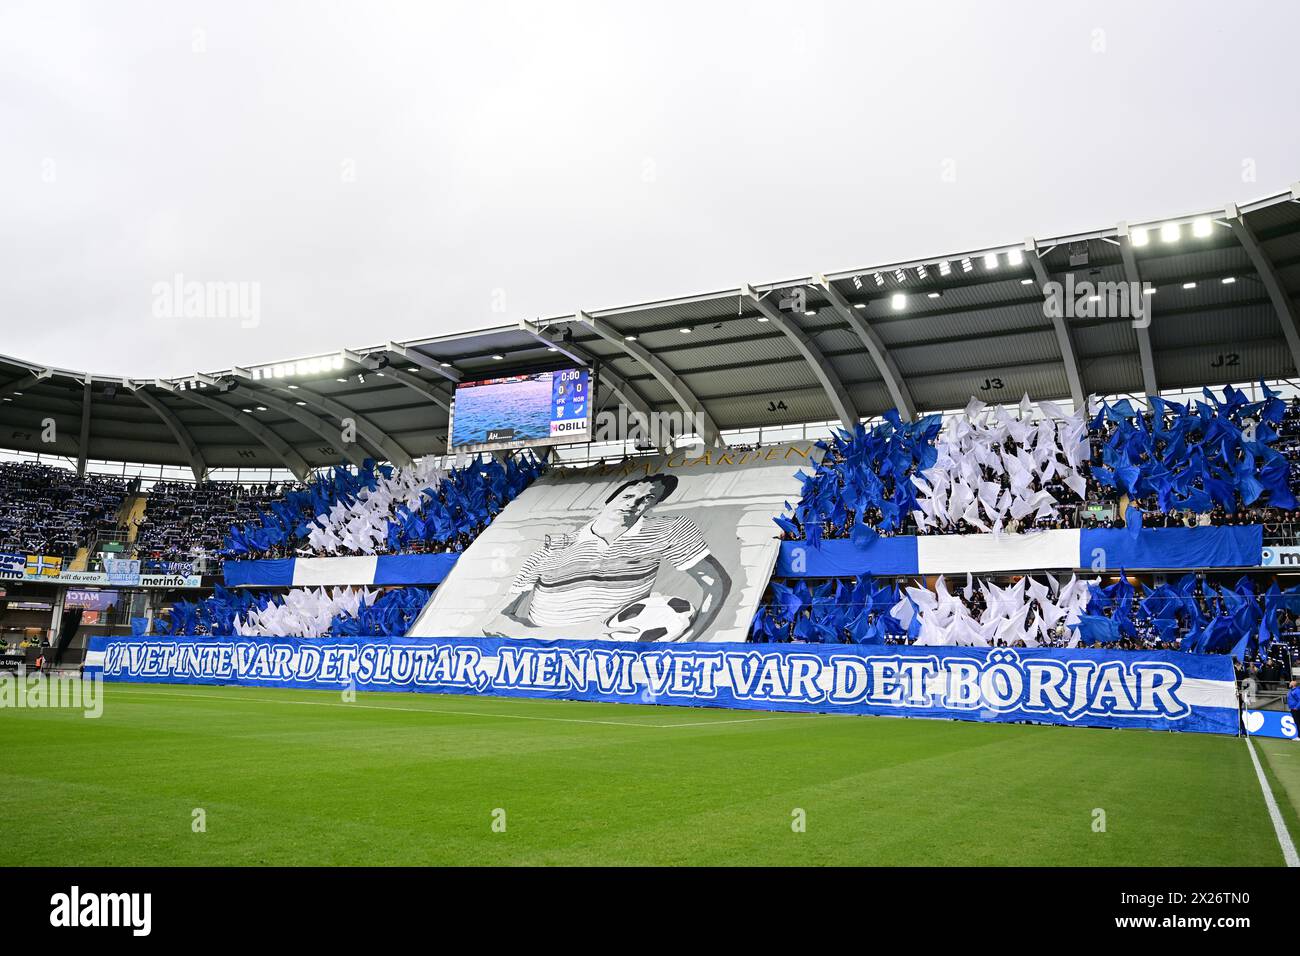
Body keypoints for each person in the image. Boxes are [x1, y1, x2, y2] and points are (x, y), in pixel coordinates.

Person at [484, 473, 732, 642]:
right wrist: (581, 633)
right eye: (627, 496)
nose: (634, 504)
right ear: (610, 498)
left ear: (652, 505)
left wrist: (687, 641)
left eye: (647, 499)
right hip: (548, 662)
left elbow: (716, 583)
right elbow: (495, 622)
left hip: (613, 660)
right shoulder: (551, 549)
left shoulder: (666, 530)